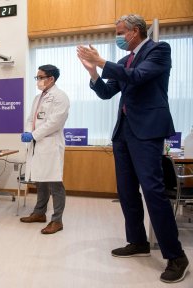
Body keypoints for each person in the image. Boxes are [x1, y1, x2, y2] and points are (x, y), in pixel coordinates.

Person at [77, 14, 189, 283]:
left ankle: (176, 256)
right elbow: (106, 93)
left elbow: (138, 77)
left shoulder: (159, 50)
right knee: (126, 191)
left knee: (153, 191)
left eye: (120, 32)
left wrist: (102, 62)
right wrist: (93, 73)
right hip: (124, 132)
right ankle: (137, 241)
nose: (118, 37)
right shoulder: (124, 61)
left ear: (136, 31)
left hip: (148, 130)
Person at [20, 64, 70, 234]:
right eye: (37, 77)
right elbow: (30, 118)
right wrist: (28, 132)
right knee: (40, 180)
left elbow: (54, 123)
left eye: (41, 77)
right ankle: (39, 213)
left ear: (51, 79)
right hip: (37, 144)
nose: (38, 81)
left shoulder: (60, 97)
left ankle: (57, 221)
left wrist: (33, 135)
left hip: (50, 143)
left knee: (55, 183)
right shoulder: (38, 97)